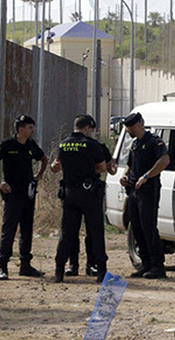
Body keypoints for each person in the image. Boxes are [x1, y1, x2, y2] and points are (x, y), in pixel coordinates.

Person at [0, 114, 48, 280]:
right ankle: (3, 266)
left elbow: (44, 159)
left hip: (28, 192)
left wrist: (39, 175)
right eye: (30, 128)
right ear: (21, 130)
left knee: (27, 229)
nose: (32, 130)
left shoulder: (31, 145)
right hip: (12, 193)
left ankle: (25, 265)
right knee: (9, 229)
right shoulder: (7, 145)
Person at [51, 114, 107, 283]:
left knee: (67, 234)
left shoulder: (63, 145)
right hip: (89, 194)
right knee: (96, 233)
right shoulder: (92, 145)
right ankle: (101, 272)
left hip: (69, 194)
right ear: (87, 128)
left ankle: (59, 271)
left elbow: (56, 166)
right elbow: (102, 168)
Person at [120, 112, 170, 279]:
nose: (129, 130)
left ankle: (158, 266)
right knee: (137, 228)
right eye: (128, 127)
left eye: (132, 127)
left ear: (140, 124)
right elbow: (129, 164)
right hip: (134, 191)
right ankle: (146, 264)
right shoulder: (135, 144)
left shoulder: (154, 142)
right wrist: (125, 176)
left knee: (148, 227)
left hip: (149, 190)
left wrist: (147, 176)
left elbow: (164, 160)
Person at [65, 137, 117, 277]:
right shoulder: (68, 145)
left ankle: (91, 264)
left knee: (92, 232)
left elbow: (111, 169)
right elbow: (56, 165)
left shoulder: (98, 146)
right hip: (74, 192)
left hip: (91, 192)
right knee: (72, 232)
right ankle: (73, 265)